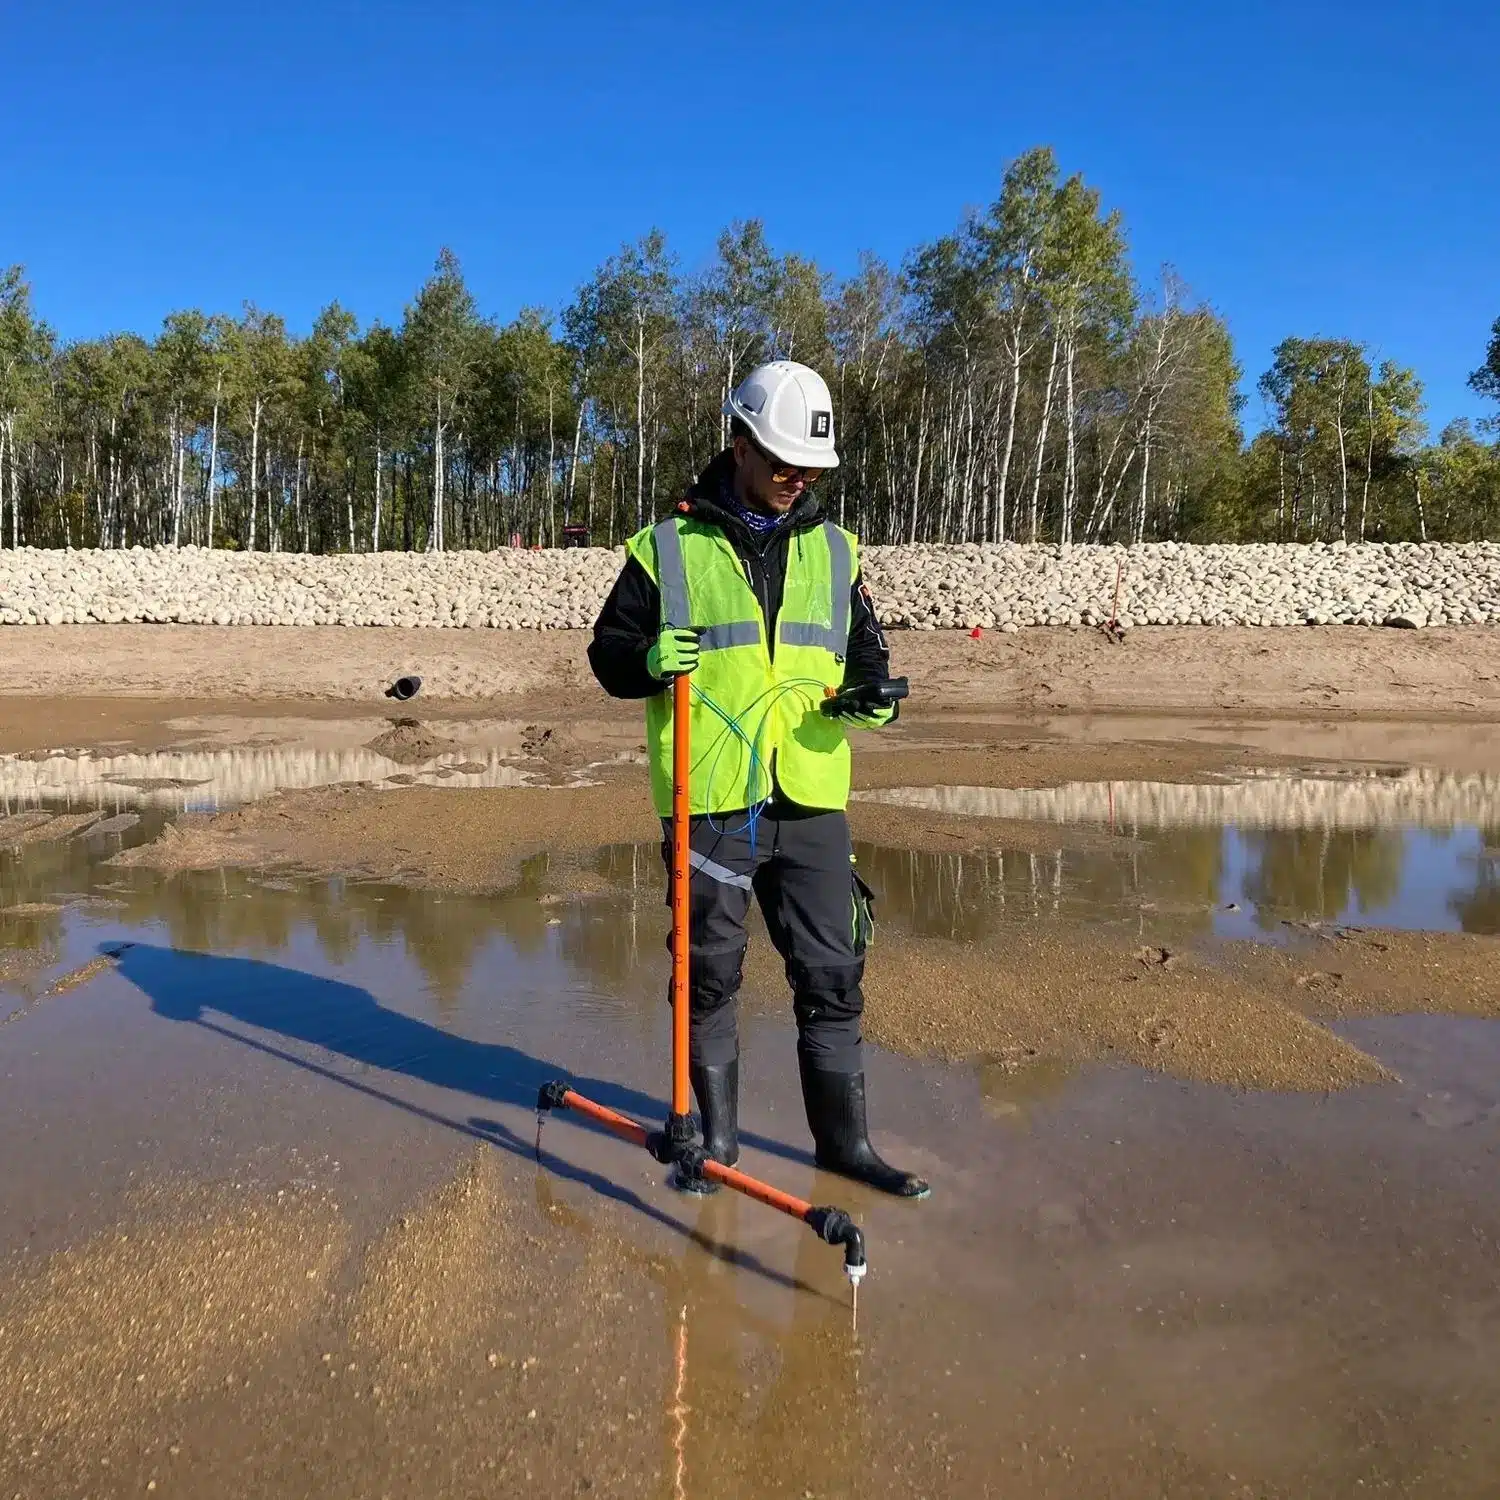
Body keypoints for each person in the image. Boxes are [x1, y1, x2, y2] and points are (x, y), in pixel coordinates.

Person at [588, 360, 929, 1199]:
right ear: (739, 444)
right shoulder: (667, 547)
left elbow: (867, 656)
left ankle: (845, 1149)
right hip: (711, 796)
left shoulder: (837, 551)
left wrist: (870, 701)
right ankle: (717, 1148)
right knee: (708, 974)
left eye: (809, 468)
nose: (796, 479)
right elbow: (609, 655)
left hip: (810, 795)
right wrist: (646, 660)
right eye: (782, 462)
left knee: (833, 973)